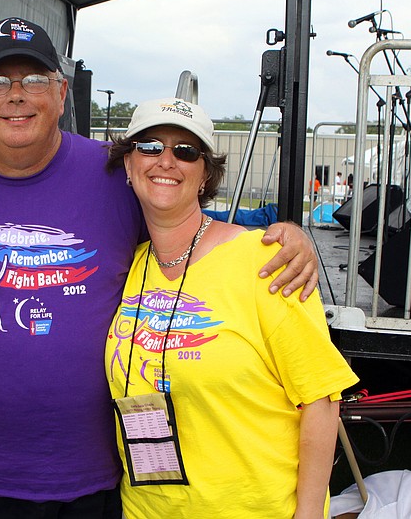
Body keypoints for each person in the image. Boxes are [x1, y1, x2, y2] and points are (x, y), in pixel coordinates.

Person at [0, 17, 319, 519]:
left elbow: (189, 221)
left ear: (62, 94)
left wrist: (291, 234)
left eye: (35, 79)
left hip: (94, 477)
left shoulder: (112, 177)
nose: (16, 95)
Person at [105, 97, 358, 518]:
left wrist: (310, 511)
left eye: (185, 151)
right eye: (149, 146)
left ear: (205, 175)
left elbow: (319, 396)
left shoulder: (266, 262)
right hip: (145, 509)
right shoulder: (128, 266)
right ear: (129, 166)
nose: (166, 160)